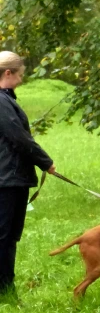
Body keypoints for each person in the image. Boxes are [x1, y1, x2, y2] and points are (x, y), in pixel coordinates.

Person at [0, 51, 56, 299]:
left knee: (10, 236)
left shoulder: (6, 99)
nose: (22, 80)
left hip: (12, 177)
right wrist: (46, 162)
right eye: (20, 75)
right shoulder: (1, 102)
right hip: (6, 179)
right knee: (4, 237)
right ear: (8, 73)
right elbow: (19, 138)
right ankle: (4, 290)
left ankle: (6, 288)